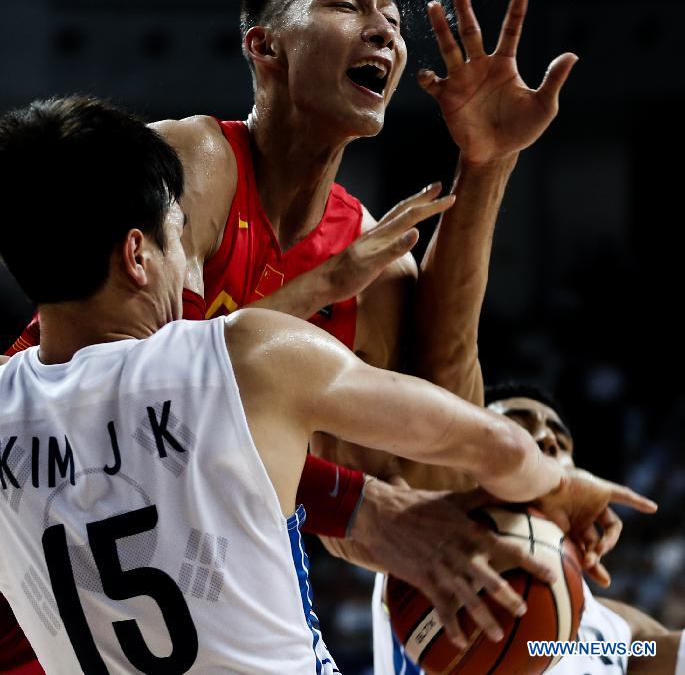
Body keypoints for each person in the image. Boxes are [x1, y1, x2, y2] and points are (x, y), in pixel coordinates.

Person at [3, 0, 579, 661]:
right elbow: (130, 397)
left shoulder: (371, 251)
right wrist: (352, 501)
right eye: (345, 5)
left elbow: (435, 464)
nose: (383, 30)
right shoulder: (192, 163)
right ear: (264, 46)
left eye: (394, 21)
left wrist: (485, 166)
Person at [0, 96, 655, 674]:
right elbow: (491, 447)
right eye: (180, 242)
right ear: (138, 255)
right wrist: (559, 484)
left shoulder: (6, 407)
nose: (187, 275)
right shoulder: (251, 358)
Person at [373, 382, 680, 675]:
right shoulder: (425, 544)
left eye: (560, 444)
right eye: (517, 430)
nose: (546, 438)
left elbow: (660, 654)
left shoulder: (616, 632)